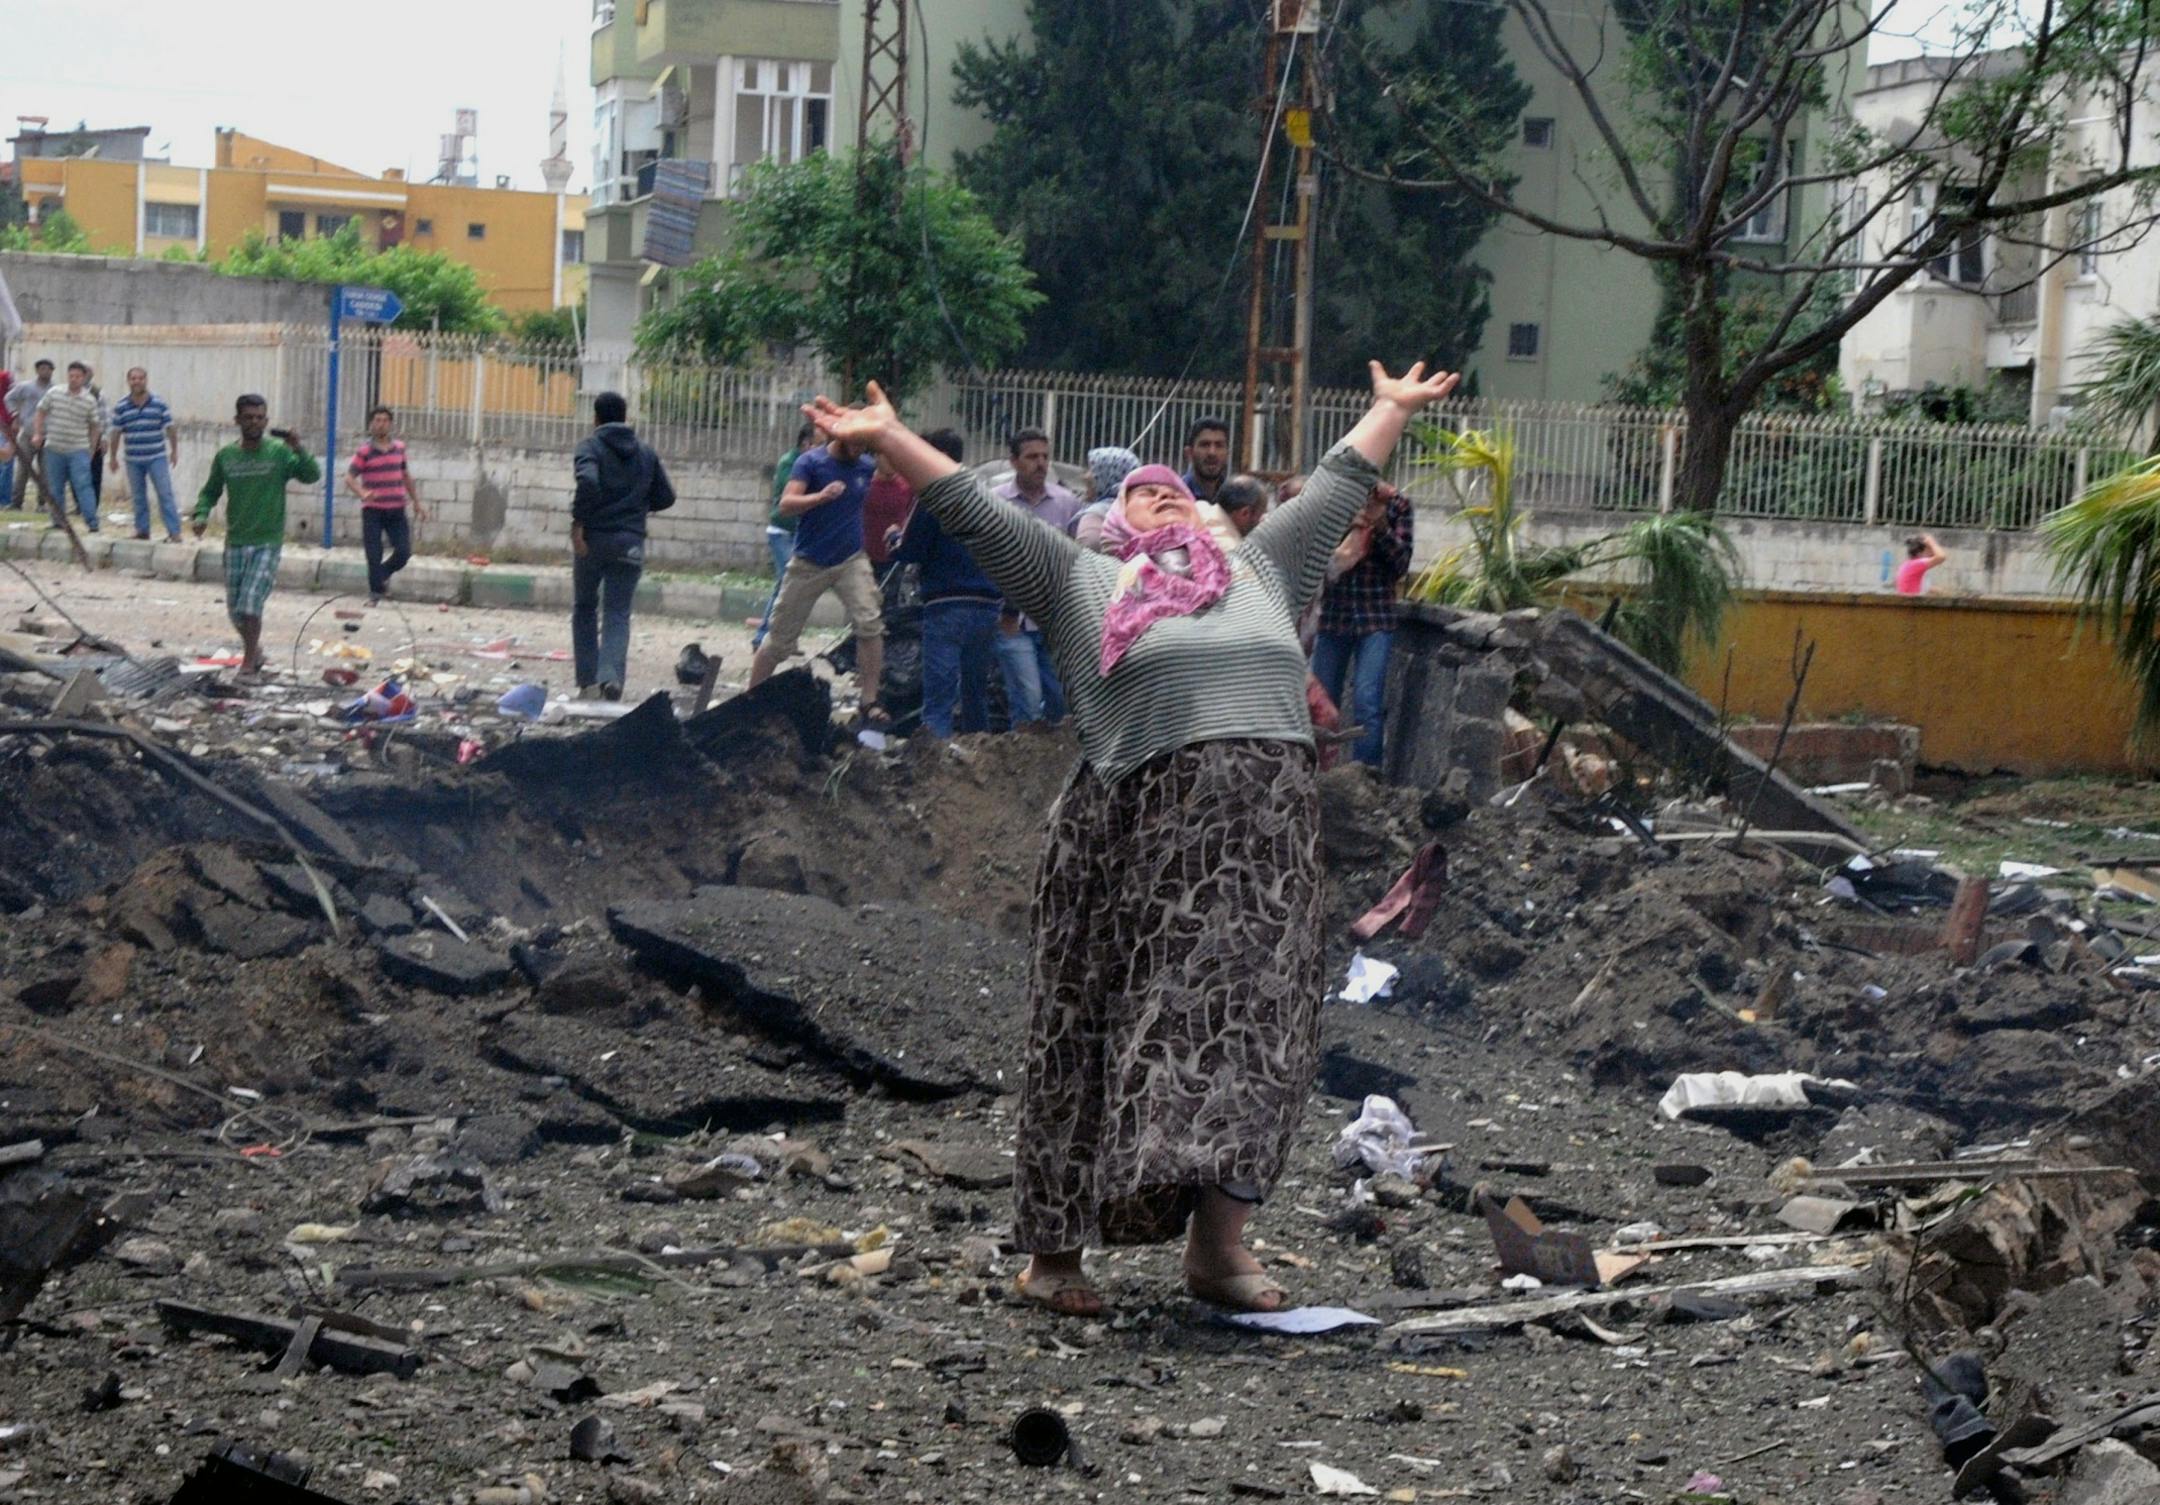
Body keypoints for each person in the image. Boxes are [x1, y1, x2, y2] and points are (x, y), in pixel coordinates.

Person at [801, 358, 1461, 1317]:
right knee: (1095, 1029)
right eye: (1142, 495)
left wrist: (1390, 409)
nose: (1166, 499)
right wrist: (890, 438)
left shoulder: (1264, 570)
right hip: (1135, 836)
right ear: (1110, 525)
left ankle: (1219, 1254)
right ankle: (1055, 1258)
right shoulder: (1080, 578)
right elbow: (974, 512)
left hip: (1265, 846)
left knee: (1257, 1039)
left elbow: (1335, 484)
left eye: (1181, 494)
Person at [746, 421, 889, 729]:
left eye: (864, 443)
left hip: (851, 559)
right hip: (809, 561)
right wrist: (820, 497)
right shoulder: (811, 462)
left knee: (870, 624)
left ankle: (869, 700)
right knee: (780, 641)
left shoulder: (866, 465)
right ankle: (751, 700)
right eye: (854, 441)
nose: (858, 449)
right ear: (839, 433)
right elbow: (785, 505)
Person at [192, 394, 321, 676]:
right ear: (237, 420)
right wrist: (201, 514)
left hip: (267, 542)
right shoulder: (226, 456)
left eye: (259, 417)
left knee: (251, 601)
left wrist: (298, 448)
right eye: (248, 417)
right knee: (236, 610)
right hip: (236, 540)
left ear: (266, 421)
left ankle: (248, 663)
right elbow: (211, 491)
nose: (254, 422)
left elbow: (312, 475)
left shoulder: (279, 452)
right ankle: (256, 650)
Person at [889, 428, 1000, 738]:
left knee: (939, 698)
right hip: (988, 604)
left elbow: (911, 549)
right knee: (976, 693)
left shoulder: (932, 495)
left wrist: (894, 539)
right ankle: (983, 757)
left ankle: (934, 764)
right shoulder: (987, 494)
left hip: (947, 603)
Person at [570, 391, 675, 700]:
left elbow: (588, 482)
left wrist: (578, 524)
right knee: (617, 612)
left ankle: (588, 681)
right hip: (630, 541)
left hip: (593, 540)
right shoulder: (645, 453)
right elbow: (666, 497)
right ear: (626, 416)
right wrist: (638, 504)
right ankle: (612, 677)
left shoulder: (589, 447)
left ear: (595, 418)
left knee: (585, 607)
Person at [1310, 482, 1413, 770]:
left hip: (1375, 615)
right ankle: (1316, 774)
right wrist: (1345, 528)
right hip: (1333, 616)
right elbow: (1312, 554)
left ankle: (1366, 778)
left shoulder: (1397, 504)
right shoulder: (1331, 499)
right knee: (1322, 704)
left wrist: (1380, 529)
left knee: (1367, 700)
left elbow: (1401, 565)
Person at [994, 427, 1083, 726]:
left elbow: (1079, 558)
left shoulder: (1067, 503)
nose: (1041, 464)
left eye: (1045, 457)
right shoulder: (995, 502)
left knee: (1061, 703)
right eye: (1032, 457)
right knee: (1028, 702)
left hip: (1055, 621)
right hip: (1013, 619)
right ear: (1014, 461)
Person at [346, 406, 425, 603]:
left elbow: (406, 476)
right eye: (377, 420)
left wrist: (416, 502)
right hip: (373, 511)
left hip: (396, 509)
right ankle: (375, 593)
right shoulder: (364, 452)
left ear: (390, 424)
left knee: (404, 552)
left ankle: (381, 576)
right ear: (371, 424)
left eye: (385, 420)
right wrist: (363, 493)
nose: (381, 424)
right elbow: (349, 478)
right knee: (374, 553)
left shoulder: (399, 448)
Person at [752, 423, 814, 649]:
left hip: (795, 532)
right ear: (806, 443)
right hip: (782, 532)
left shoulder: (806, 462)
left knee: (790, 586)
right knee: (785, 584)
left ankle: (781, 638)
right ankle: (763, 637)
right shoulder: (792, 462)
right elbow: (794, 495)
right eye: (818, 444)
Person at [108, 366, 183, 542]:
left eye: (140, 378)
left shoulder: (159, 403)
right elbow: (116, 433)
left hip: (156, 456)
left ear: (146, 380)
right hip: (133, 458)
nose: (137, 382)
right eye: (133, 378)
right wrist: (112, 457)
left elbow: (170, 428)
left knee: (164, 494)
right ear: (128, 381)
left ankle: (174, 532)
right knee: (138, 496)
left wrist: (174, 451)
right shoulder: (121, 406)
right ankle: (142, 530)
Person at [35, 361, 103, 532]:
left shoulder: (89, 400)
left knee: (83, 485)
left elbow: (95, 426)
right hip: (54, 448)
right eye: (71, 376)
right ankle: (58, 521)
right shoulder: (54, 393)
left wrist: (92, 449)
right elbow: (41, 411)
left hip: (78, 449)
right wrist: (38, 433)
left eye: (78, 376)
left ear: (84, 377)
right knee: (55, 487)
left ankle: (92, 522)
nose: (74, 379)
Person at [1072, 445, 1141, 554]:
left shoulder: (1096, 514)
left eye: (1092, 470)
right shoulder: (1143, 509)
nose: (1085, 476)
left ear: (1108, 474)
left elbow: (1085, 556)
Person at [7, 359, 52, 512]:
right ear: (37, 370)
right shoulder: (26, 387)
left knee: (46, 471)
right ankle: (16, 503)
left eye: (47, 369)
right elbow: (9, 398)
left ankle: (42, 503)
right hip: (27, 432)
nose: (44, 371)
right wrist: (15, 414)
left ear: (52, 371)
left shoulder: (55, 389)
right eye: (42, 368)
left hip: (48, 435)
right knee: (23, 469)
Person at [1181, 415, 1231, 502]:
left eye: (1219, 445)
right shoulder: (1177, 496)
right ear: (1189, 453)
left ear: (1227, 454)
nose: (1212, 452)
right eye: (1205, 445)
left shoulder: (1234, 498)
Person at [1217, 474, 1271, 538]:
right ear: (1244, 513)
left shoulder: (1204, 521)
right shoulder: (1230, 546)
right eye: (1260, 515)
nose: (1262, 522)